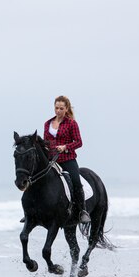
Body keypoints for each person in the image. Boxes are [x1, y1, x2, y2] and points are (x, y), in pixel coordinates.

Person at [44, 95, 91, 223]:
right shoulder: (47, 123)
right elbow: (45, 143)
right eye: (56, 108)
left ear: (66, 109)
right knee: (37, 178)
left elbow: (79, 142)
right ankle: (31, 211)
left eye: (61, 108)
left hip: (67, 159)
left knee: (76, 181)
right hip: (52, 160)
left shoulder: (71, 123)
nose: (58, 111)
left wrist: (65, 147)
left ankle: (82, 211)